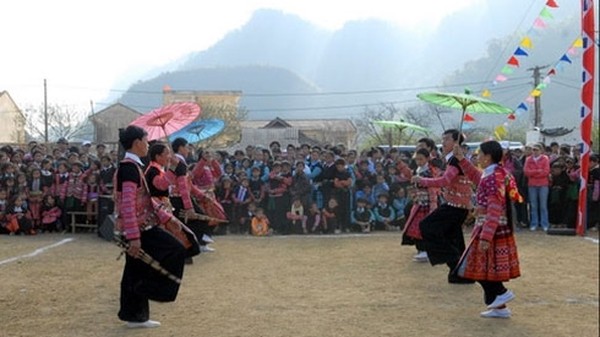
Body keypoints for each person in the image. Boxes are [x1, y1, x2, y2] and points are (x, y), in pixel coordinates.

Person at [115, 125, 186, 329]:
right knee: (175, 250)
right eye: (146, 141)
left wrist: (165, 216)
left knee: (134, 269)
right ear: (137, 143)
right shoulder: (129, 168)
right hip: (140, 228)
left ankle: (135, 316)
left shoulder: (133, 166)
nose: (148, 145)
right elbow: (127, 204)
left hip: (138, 226)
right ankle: (152, 292)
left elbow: (145, 200)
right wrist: (134, 237)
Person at [452, 140, 521, 318]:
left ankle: (501, 292)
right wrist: (461, 159)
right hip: (491, 227)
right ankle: (500, 307)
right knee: (488, 268)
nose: (478, 157)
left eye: (480, 154)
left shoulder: (493, 177)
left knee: (477, 265)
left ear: (488, 156)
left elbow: (494, 209)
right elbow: (476, 177)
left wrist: (486, 236)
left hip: (490, 228)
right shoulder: (494, 174)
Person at [411, 129, 476, 284]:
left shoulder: (455, 160)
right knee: (455, 239)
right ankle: (460, 274)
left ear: (456, 142)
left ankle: (454, 260)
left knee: (427, 226)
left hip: (455, 206)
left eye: (446, 139)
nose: (443, 142)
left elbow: (445, 180)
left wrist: (422, 180)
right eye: (443, 139)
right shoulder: (454, 159)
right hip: (458, 205)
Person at [402, 148, 439, 262]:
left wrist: (433, 203)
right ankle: (422, 249)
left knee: (422, 227)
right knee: (416, 226)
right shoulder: (418, 170)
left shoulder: (429, 172)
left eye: (421, 159)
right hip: (418, 202)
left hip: (426, 203)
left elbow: (432, 188)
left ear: (427, 159)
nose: (418, 161)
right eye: (417, 159)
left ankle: (425, 250)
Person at [524, 143, 550, 231]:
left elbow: (546, 172)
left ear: (541, 150)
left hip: (543, 185)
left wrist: (533, 173)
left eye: (536, 150)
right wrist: (538, 171)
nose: (534, 151)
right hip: (532, 185)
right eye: (533, 149)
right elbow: (526, 172)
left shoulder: (545, 159)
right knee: (533, 205)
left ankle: (544, 224)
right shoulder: (528, 159)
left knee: (543, 205)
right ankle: (534, 223)